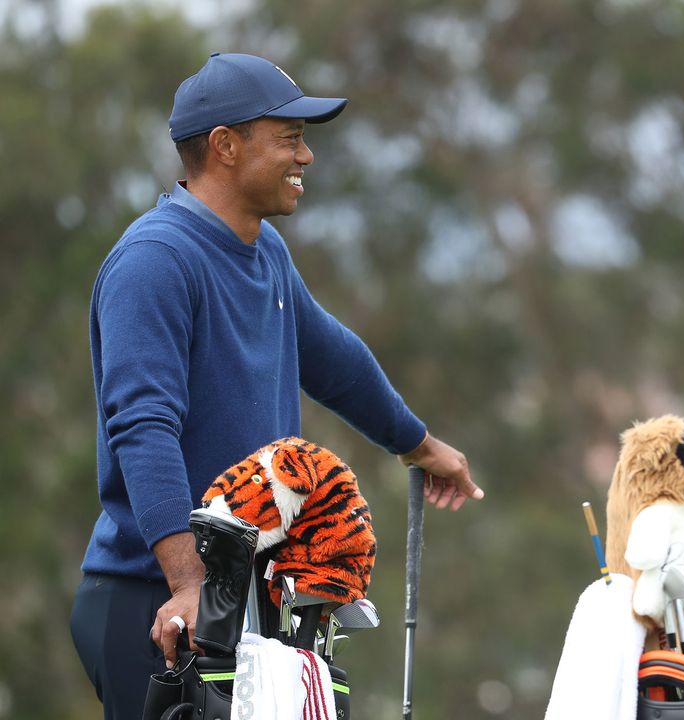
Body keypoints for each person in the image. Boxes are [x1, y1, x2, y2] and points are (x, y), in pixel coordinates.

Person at [70, 52, 484, 720]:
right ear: (225, 147)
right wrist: (190, 585)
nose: (307, 156)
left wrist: (418, 444)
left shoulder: (265, 252)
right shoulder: (154, 262)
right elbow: (143, 431)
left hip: (235, 602)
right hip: (155, 601)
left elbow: (332, 360)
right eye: (289, 138)